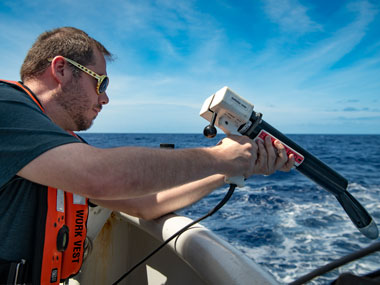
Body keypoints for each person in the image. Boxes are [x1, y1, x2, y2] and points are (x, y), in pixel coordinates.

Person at [0, 27, 294, 284]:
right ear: (61, 69)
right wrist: (220, 157)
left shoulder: (58, 149)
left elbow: (146, 204)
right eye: (100, 82)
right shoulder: (5, 107)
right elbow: (102, 176)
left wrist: (229, 169)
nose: (105, 98)